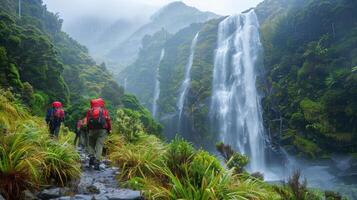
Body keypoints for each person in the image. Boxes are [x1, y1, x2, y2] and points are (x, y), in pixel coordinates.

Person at [86, 98, 111, 170]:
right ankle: (97, 162)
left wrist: (88, 130)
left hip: (91, 130)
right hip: (102, 130)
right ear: (101, 104)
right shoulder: (104, 111)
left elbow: (87, 121)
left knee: (91, 144)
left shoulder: (89, 111)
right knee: (99, 145)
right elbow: (108, 121)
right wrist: (109, 129)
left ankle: (91, 157)